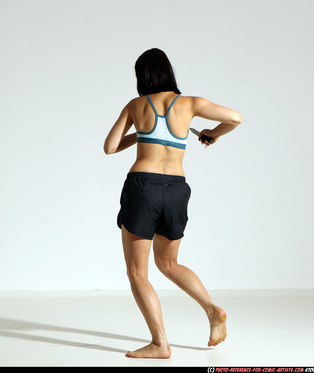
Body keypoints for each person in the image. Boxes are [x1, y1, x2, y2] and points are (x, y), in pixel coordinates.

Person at [103, 48, 243, 359]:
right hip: (177, 189)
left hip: (142, 187)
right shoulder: (190, 103)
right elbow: (235, 118)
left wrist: (140, 133)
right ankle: (212, 310)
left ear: (142, 76)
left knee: (138, 272)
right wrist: (212, 133)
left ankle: (160, 343)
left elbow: (110, 147)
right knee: (169, 264)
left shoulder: (136, 105)